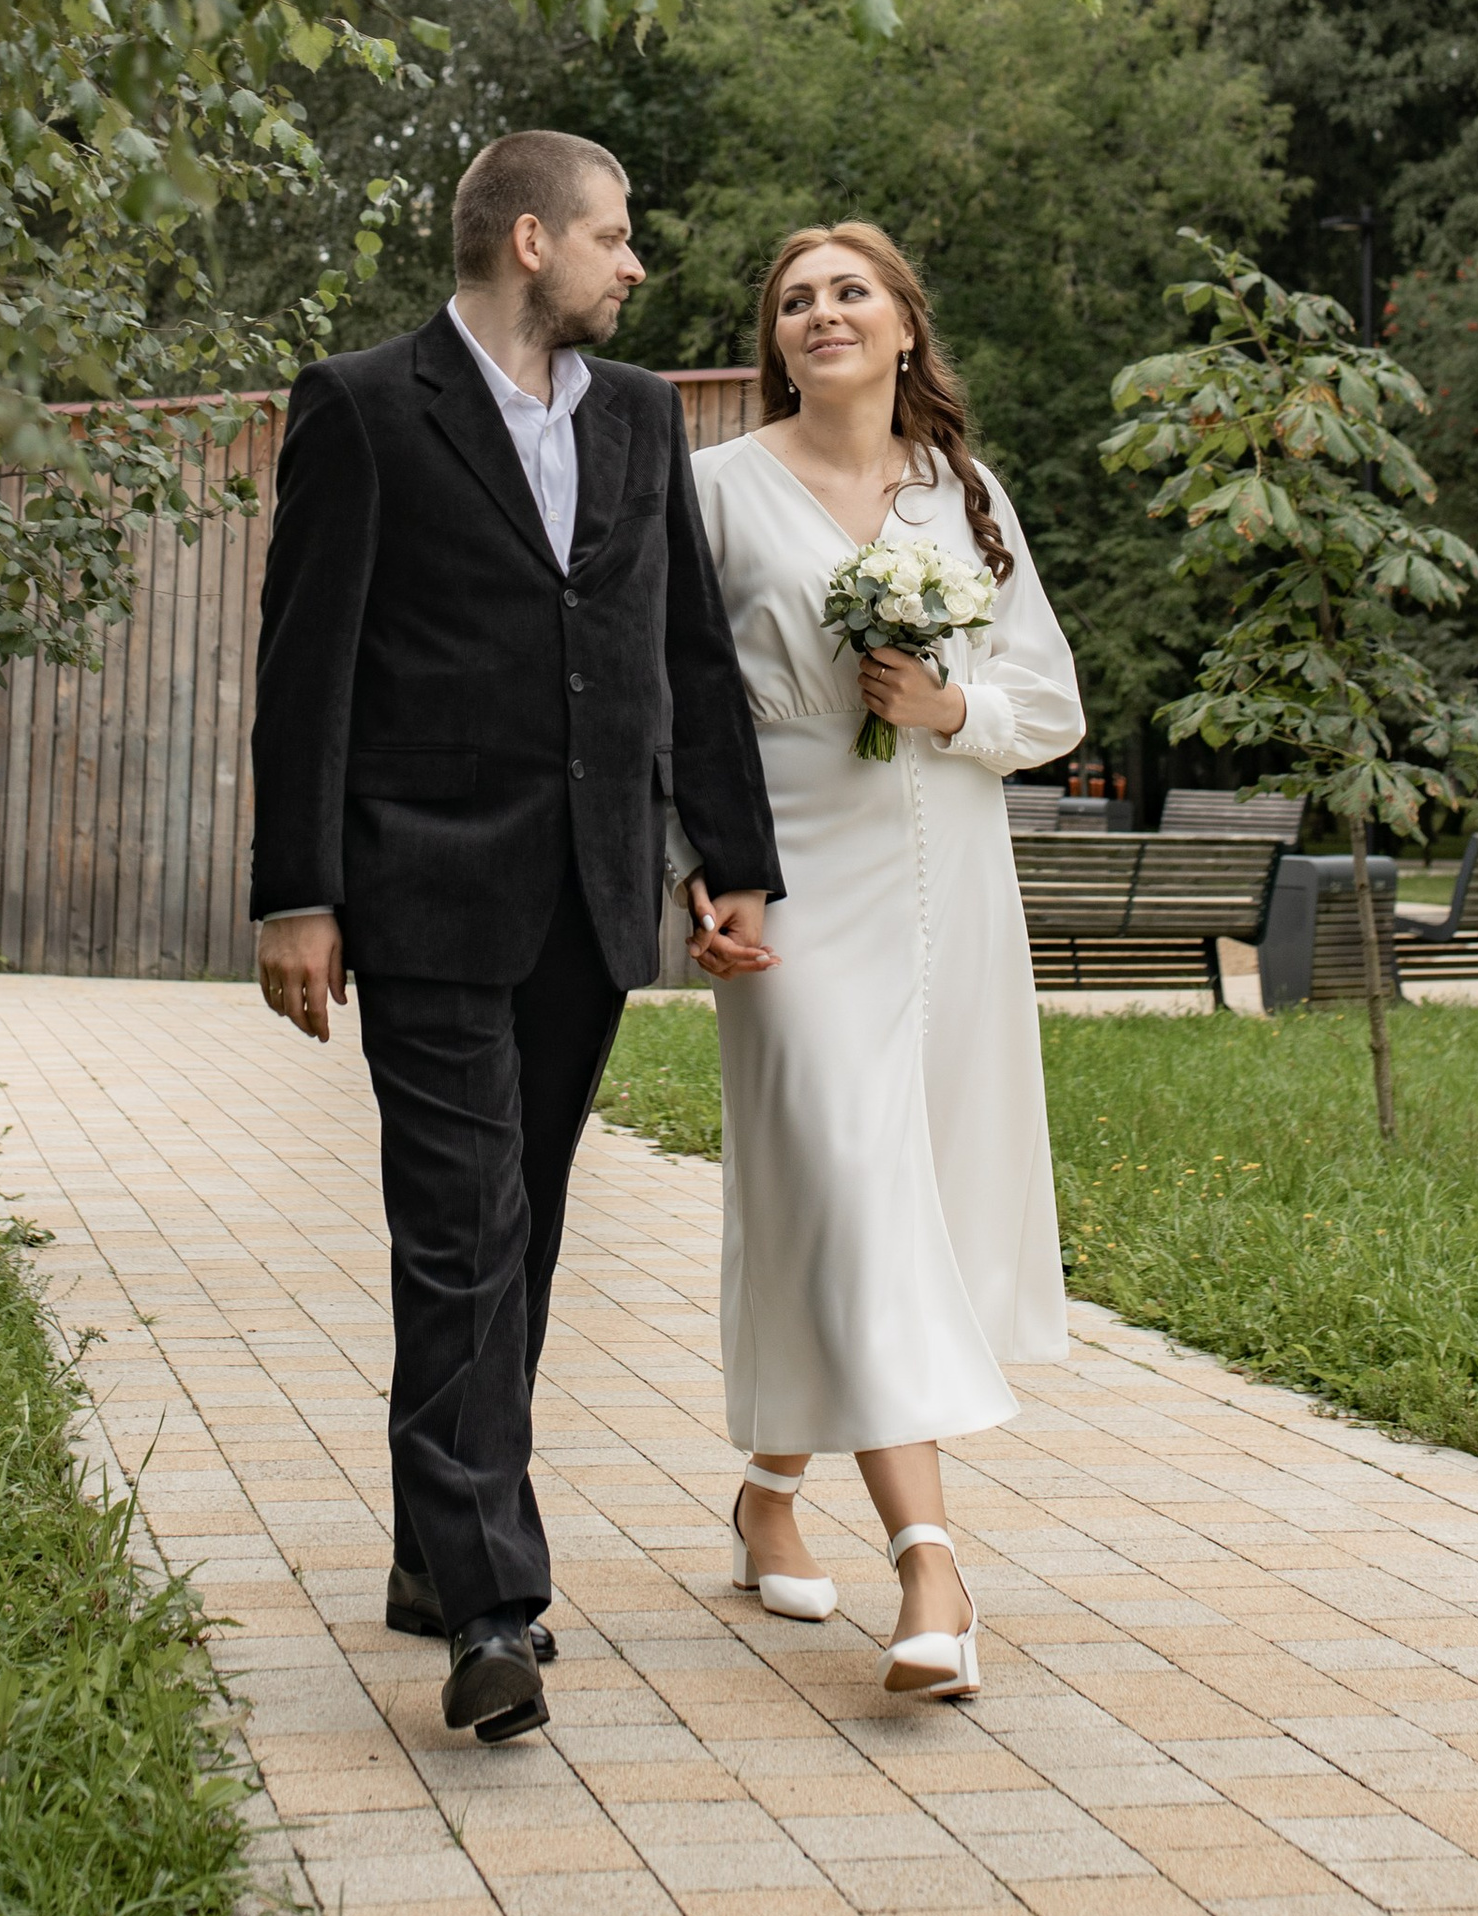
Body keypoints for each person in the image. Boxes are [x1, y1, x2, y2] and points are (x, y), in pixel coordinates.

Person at [249, 131, 783, 1747]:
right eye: (618, 240)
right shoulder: (361, 404)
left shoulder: (634, 418)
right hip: (422, 885)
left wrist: (730, 858)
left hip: (588, 893)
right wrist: (297, 892)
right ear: (533, 240)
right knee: (460, 1228)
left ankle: (433, 1546)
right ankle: (495, 1608)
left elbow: (682, 651)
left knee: (523, 1229)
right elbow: (306, 664)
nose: (637, 267)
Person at [674, 220, 1084, 1703]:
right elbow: (681, 704)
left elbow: (1051, 701)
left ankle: (771, 1486)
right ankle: (931, 1563)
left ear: (907, 325)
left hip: (950, 871)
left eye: (850, 292)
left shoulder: (965, 495)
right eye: (795, 300)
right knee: (845, 1174)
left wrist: (946, 706)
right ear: (773, 340)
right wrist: (703, 873)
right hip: (790, 881)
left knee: (896, 1196)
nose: (821, 313)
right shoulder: (714, 490)